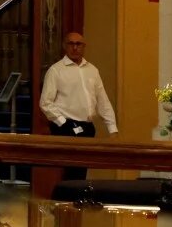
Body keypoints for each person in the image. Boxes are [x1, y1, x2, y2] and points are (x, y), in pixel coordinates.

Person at [41, 31, 116, 181]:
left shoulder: (92, 70)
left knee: (81, 170)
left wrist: (112, 129)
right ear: (65, 46)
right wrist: (63, 123)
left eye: (78, 44)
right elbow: (45, 102)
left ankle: (76, 202)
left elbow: (103, 101)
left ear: (84, 47)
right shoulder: (56, 70)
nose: (75, 47)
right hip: (66, 127)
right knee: (70, 171)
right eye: (71, 44)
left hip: (87, 127)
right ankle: (64, 201)